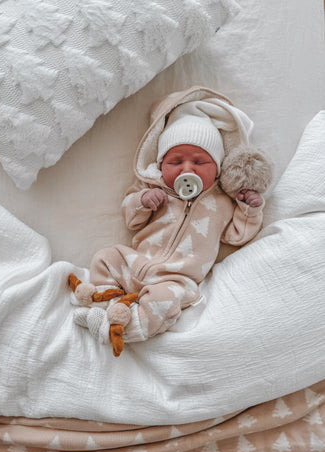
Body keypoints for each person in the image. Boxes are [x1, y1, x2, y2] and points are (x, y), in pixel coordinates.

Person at [68, 86, 272, 357]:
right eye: (176, 161)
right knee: (106, 257)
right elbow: (131, 220)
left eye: (200, 161)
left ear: (218, 168)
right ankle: (108, 305)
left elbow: (236, 236)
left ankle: (119, 329)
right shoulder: (157, 191)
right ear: (161, 166)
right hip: (137, 263)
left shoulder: (222, 203)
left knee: (163, 303)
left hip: (177, 280)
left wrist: (249, 210)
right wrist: (142, 201)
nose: (187, 169)